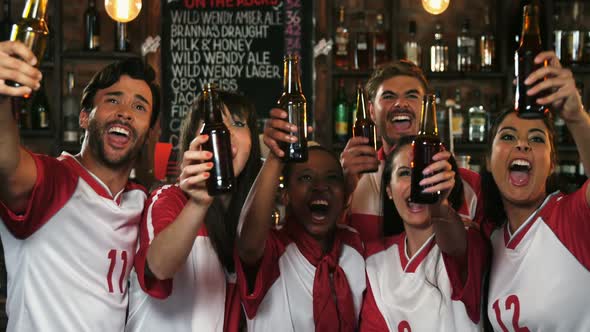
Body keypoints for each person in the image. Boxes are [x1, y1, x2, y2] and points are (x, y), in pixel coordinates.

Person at [0, 41, 160, 331]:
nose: (125, 112)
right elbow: (7, 164)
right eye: (113, 99)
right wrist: (1, 96)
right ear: (85, 117)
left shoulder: (141, 201)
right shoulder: (53, 180)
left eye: (139, 106)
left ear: (147, 133)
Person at [126, 90, 262, 332]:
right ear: (195, 142)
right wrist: (198, 203)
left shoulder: (248, 224)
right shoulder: (168, 198)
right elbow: (159, 267)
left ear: (253, 143)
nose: (225, 132)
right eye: (213, 123)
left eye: (239, 123)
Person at [483, 51, 590, 330]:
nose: (522, 145)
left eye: (536, 138)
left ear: (552, 163)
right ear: (488, 161)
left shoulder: (573, 215)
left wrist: (576, 118)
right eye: (508, 136)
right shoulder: (491, 239)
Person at [236, 110, 365, 331]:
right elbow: (247, 244)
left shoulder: (354, 245)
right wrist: (276, 157)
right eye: (305, 177)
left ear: (344, 195)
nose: (320, 186)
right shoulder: (272, 249)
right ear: (285, 195)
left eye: (331, 178)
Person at [340, 60, 481, 242]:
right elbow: (329, 248)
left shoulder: (469, 183)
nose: (400, 103)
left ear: (428, 108)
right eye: (389, 96)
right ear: (371, 112)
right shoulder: (353, 179)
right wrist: (341, 188)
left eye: (412, 96)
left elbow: (480, 259)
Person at [360, 136, 487, 331]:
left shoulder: (469, 240)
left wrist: (439, 203)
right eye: (404, 173)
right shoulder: (375, 259)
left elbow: (455, 247)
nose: (417, 183)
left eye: (427, 173)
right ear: (389, 190)